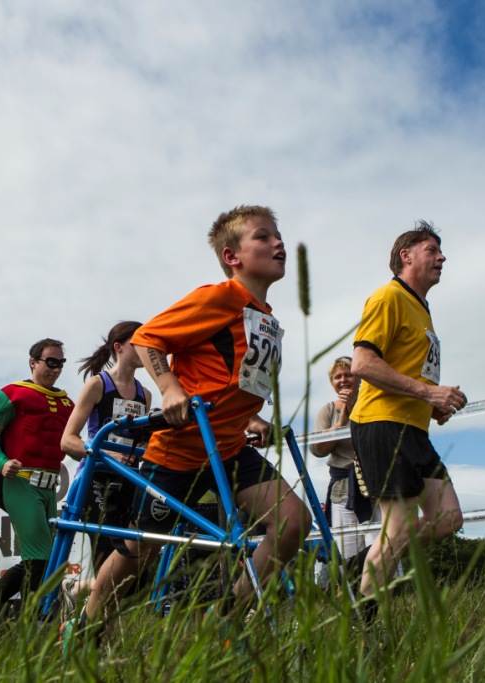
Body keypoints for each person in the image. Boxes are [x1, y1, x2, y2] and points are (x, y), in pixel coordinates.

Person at [66, 205, 312, 644]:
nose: (278, 244)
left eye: (278, 235)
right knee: (138, 552)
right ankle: (86, 627)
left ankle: (226, 617)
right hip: (179, 451)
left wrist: (252, 417)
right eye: (263, 237)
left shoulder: (266, 318)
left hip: (230, 448)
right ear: (231, 255)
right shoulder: (218, 296)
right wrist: (168, 387)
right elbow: (148, 338)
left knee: (293, 521)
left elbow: (233, 380)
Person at [349, 221, 466, 605]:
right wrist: (428, 391)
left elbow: (410, 372)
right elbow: (363, 364)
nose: (442, 257)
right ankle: (360, 621)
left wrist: (432, 404)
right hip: (382, 423)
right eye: (433, 249)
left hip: (414, 429)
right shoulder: (388, 297)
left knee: (448, 519)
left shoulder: (422, 311)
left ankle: (363, 563)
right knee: (397, 530)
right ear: (407, 255)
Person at [0, 338, 74, 621]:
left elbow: (74, 441)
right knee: (42, 556)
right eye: (50, 362)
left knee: (44, 559)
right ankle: (32, 624)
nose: (56, 369)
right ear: (33, 362)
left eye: (60, 364)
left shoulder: (67, 402)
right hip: (21, 482)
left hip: (50, 486)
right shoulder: (11, 394)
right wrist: (2, 463)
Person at [61, 321, 152, 569]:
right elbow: (67, 440)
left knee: (133, 557)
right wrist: (104, 452)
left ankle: (81, 593)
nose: (146, 348)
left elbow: (140, 440)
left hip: (129, 479)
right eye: (139, 342)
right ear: (119, 347)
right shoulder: (97, 384)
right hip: (95, 476)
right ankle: (93, 601)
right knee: (106, 551)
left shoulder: (145, 394)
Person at [310, 355, 377, 584]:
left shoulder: (373, 404)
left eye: (348, 374)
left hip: (374, 486)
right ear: (332, 383)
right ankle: (352, 605)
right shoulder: (328, 411)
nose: (343, 379)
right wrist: (341, 421)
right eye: (337, 376)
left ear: (359, 377)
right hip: (342, 489)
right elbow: (318, 450)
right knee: (348, 553)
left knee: (378, 546)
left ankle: (381, 603)